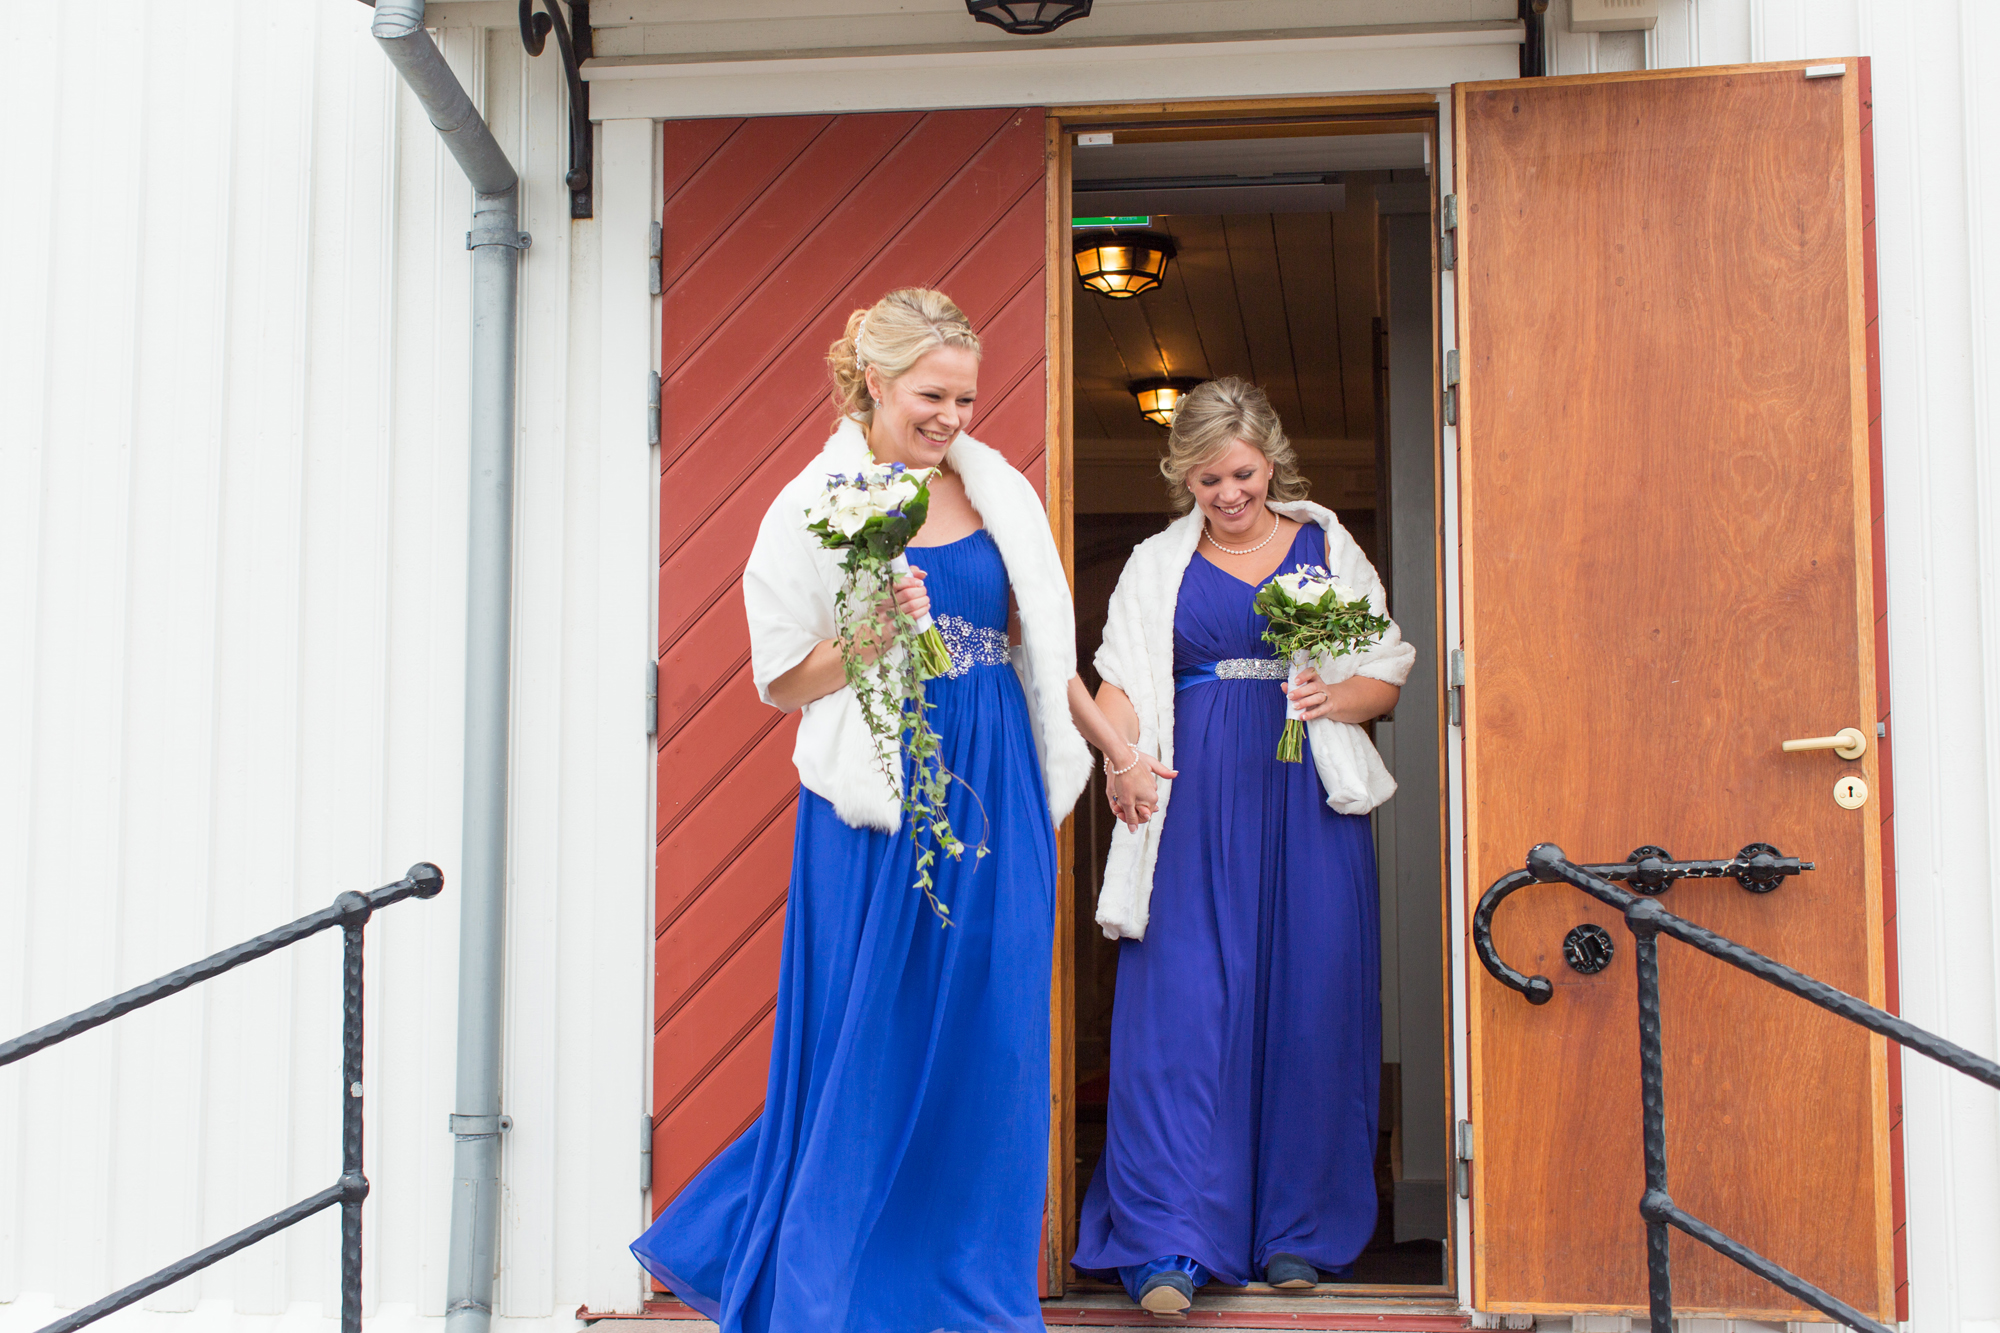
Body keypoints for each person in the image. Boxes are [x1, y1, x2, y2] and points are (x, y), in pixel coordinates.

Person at [631, 288, 1174, 1333]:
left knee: (993, 1035)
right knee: (870, 1038)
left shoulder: (997, 489)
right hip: (881, 806)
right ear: (873, 381)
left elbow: (1044, 654)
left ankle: (972, 1291)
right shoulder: (811, 504)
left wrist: (1119, 755)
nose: (951, 418)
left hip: (996, 780)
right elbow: (781, 677)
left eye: (965, 398)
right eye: (932, 394)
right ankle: (836, 1284)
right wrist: (872, 633)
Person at [1072, 377, 1416, 1317]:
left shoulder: (1325, 546)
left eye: (1241, 473)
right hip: (1192, 804)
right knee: (1181, 1017)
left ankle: (1299, 1233)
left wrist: (1328, 698)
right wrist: (1122, 760)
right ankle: (1170, 1240)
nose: (1227, 493)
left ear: (1270, 463)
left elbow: (1382, 676)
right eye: (1205, 477)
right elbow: (1122, 680)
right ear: (1180, 475)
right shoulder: (1155, 564)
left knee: (1311, 1002)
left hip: (1305, 796)